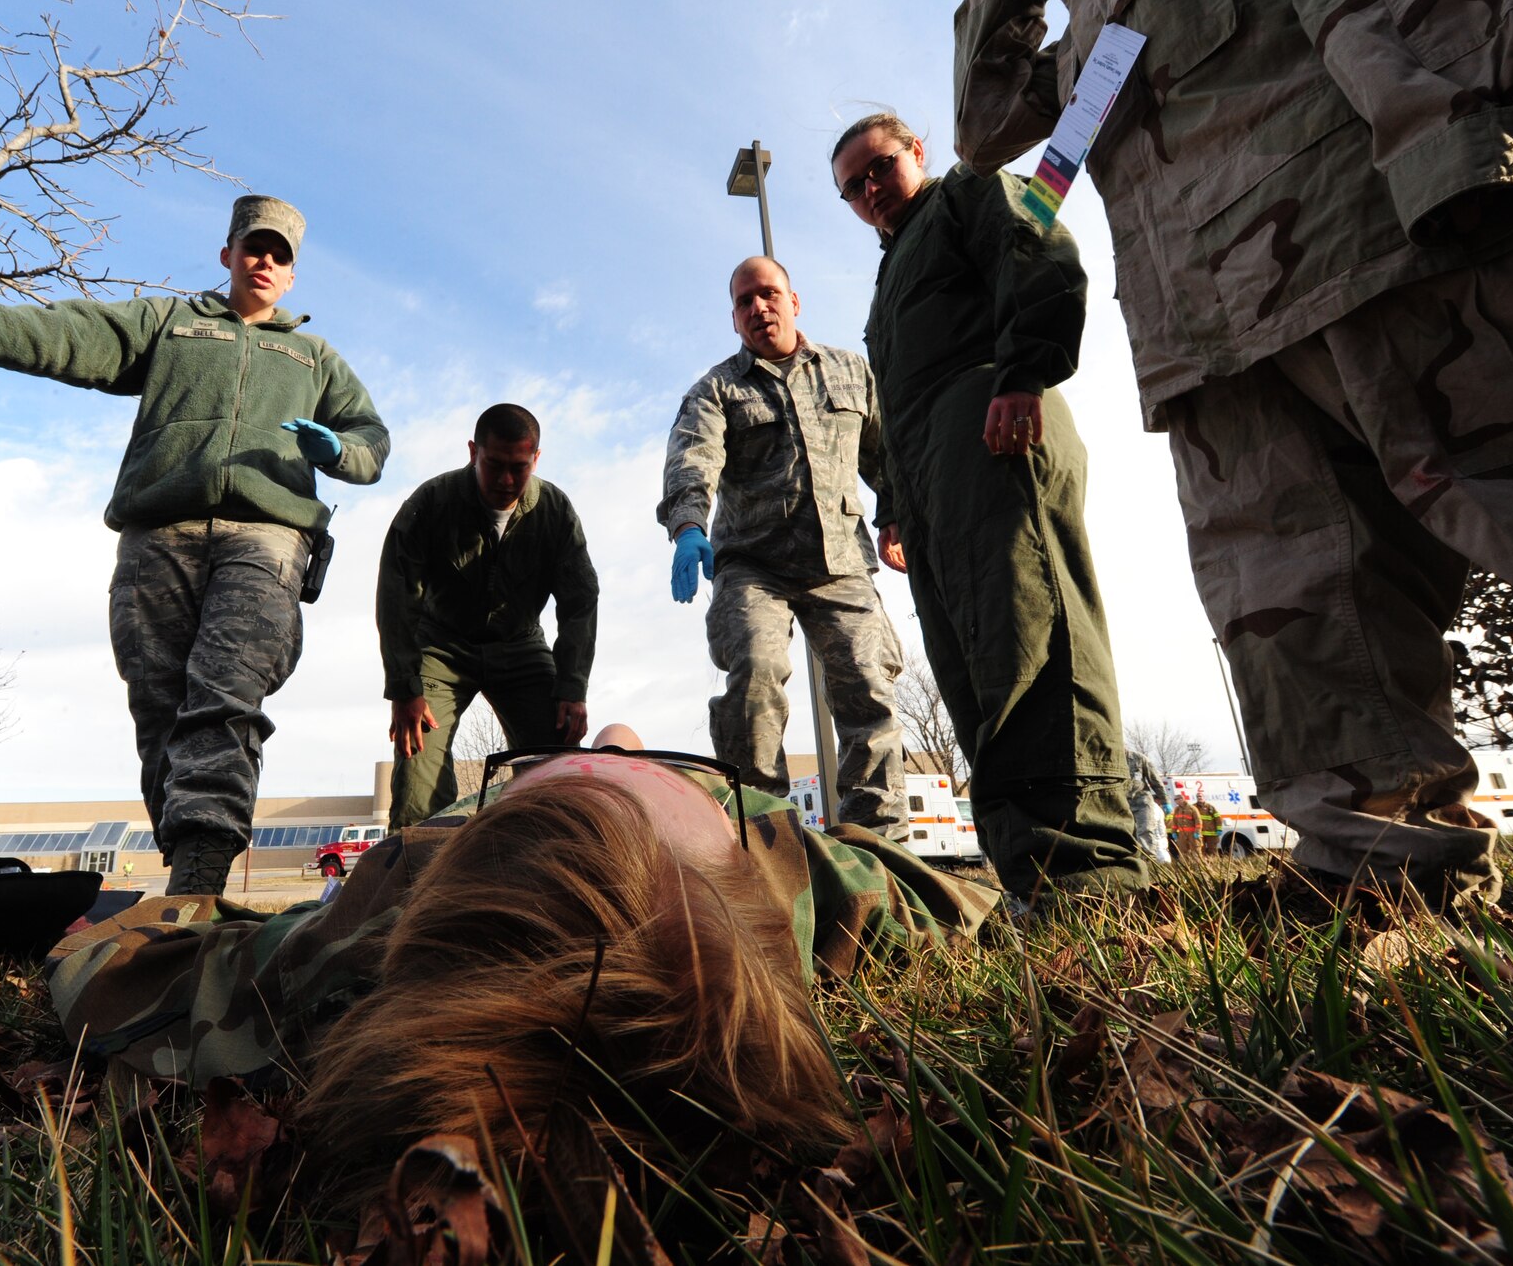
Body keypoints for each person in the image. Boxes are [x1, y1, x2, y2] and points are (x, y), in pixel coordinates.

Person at [955, 0, 1513, 906]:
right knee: (1302, 612)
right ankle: (1378, 873)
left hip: (1386, 237)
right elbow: (983, 124)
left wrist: (1475, 126)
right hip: (1213, 348)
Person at [47, 724, 998, 1215]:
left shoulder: (361, 931)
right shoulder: (792, 870)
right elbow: (960, 895)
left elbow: (102, 962)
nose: (607, 763)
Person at [0, 196, 390, 896]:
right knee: (160, 702)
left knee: (224, 692)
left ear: (291, 276)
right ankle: (181, 850)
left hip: (266, 537)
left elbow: (371, 442)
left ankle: (200, 874)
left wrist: (339, 448)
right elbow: (56, 333)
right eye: (254, 247)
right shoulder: (170, 324)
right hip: (158, 533)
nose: (265, 261)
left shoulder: (315, 357)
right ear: (227, 255)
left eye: (280, 255)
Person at [828, 115, 1147, 899]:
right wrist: (896, 505)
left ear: (918, 153)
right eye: (852, 186)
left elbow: (1034, 244)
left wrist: (1021, 374)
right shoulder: (888, 276)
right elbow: (894, 409)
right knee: (971, 669)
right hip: (934, 481)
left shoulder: (969, 190)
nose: (870, 189)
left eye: (880, 167)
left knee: (1032, 636)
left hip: (996, 434)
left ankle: (1092, 872)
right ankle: (1031, 874)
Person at [658, 256, 909, 836]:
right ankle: (761, 836)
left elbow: (886, 452)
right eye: (745, 302)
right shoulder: (716, 391)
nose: (758, 308)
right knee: (755, 671)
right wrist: (689, 525)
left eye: (768, 294)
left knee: (869, 687)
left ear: (795, 301)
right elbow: (693, 457)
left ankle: (879, 851)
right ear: (734, 318)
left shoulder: (849, 371)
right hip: (753, 564)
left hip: (840, 558)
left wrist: (896, 512)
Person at [377, 403, 599, 827]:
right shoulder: (431, 502)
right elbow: (396, 597)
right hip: (440, 647)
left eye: (519, 467)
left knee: (557, 766)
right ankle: (420, 884)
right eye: (493, 465)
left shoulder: (554, 512)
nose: (505, 480)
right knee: (416, 771)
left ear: (536, 459)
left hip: (520, 644)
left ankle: (545, 873)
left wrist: (572, 686)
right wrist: (404, 687)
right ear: (472, 451)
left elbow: (580, 601)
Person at [1126, 749, 1171, 866]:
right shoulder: (1110, 758)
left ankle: (1149, 863)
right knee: (1127, 833)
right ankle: (1131, 862)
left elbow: (1155, 781)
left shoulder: (1139, 759)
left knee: (1145, 830)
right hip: (1123, 803)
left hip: (1142, 801)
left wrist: (1165, 800)